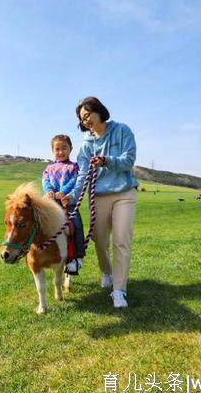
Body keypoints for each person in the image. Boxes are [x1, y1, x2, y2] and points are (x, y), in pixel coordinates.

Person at [62, 97, 138, 308]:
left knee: (121, 241)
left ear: (99, 111)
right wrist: (72, 198)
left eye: (87, 115)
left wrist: (107, 161)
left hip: (125, 192)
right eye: (82, 119)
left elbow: (129, 160)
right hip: (99, 196)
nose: (86, 121)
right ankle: (107, 272)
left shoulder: (122, 131)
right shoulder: (86, 146)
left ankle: (119, 291)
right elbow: (82, 176)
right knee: (100, 241)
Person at [42, 134, 85, 275]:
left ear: (70, 149)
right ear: (52, 150)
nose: (60, 152)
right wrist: (49, 191)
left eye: (64, 148)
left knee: (77, 224)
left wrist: (63, 192)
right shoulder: (49, 168)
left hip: (68, 201)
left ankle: (78, 257)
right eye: (57, 149)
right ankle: (36, 252)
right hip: (52, 202)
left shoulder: (74, 167)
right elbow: (45, 181)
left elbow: (74, 181)